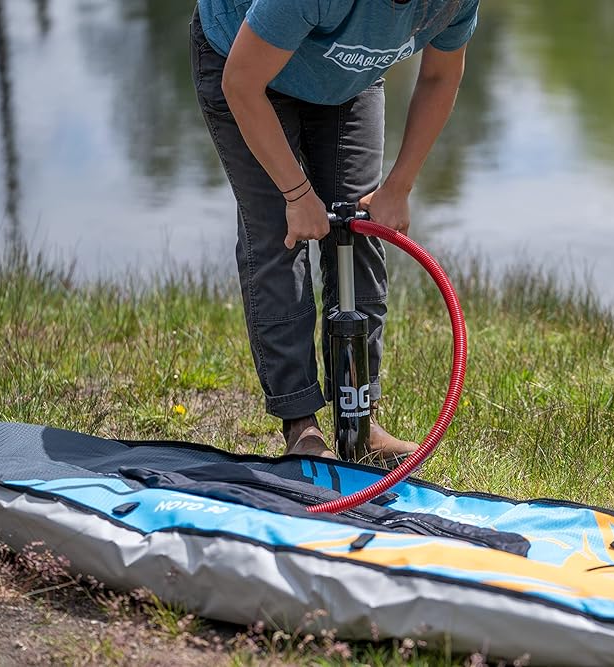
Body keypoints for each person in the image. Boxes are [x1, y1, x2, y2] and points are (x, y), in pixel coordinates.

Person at [190, 0, 478, 461]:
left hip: (346, 80)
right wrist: (297, 194)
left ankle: (358, 419)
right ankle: (301, 426)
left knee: (360, 233)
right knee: (280, 235)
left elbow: (440, 77)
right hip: (244, 64)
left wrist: (398, 187)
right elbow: (241, 82)